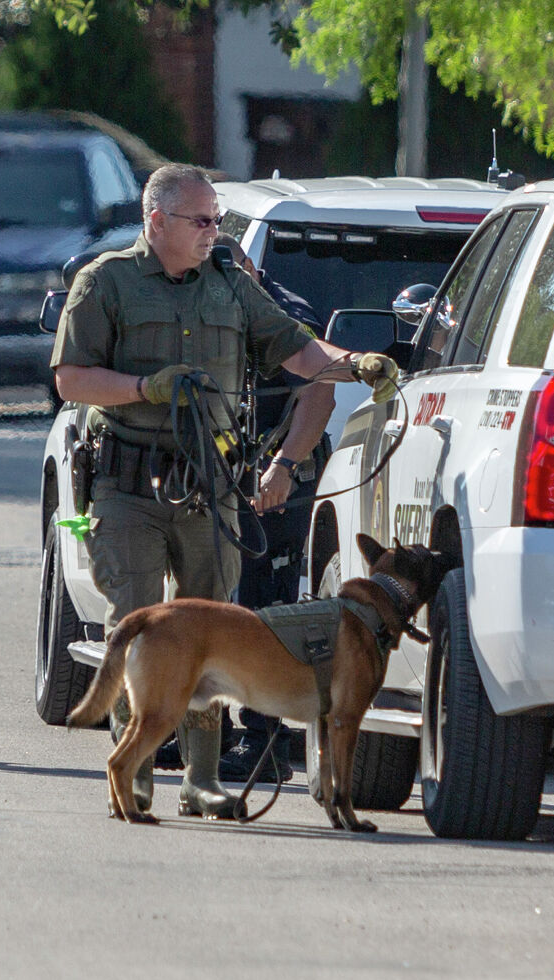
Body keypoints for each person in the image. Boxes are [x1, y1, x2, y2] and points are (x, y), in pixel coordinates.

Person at [50, 163, 397, 819]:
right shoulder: (106, 283)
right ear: (156, 222)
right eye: (201, 220)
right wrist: (143, 389)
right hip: (127, 484)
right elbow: (71, 379)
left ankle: (201, 780)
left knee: (209, 623)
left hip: (211, 484)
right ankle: (140, 771)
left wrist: (355, 365)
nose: (215, 231)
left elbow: (295, 352)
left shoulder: (230, 287)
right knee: (138, 620)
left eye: (218, 220)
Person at [214, 236, 323, 784]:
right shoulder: (205, 305)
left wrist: (282, 467)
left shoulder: (283, 314)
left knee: (263, 613)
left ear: (252, 274)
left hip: (278, 480)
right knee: (213, 605)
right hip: (225, 477)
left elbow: (317, 392)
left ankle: (265, 744)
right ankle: (206, 733)